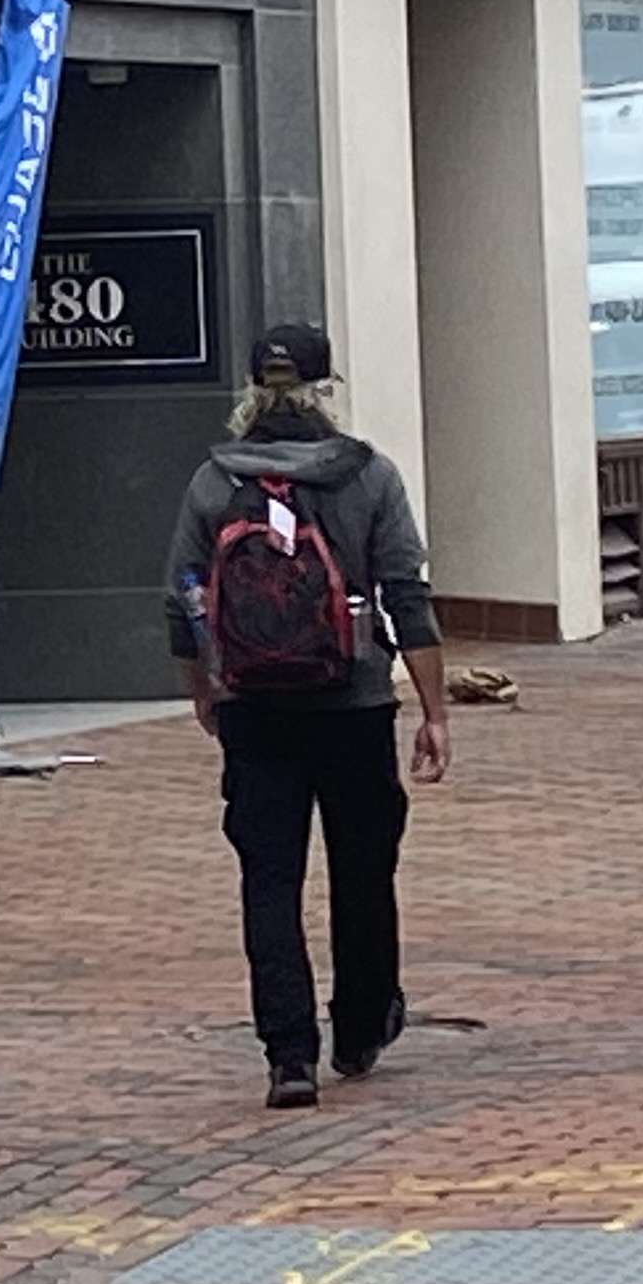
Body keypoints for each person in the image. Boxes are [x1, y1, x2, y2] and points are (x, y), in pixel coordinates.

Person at [164, 323, 449, 1113]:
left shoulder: (214, 482)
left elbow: (179, 601)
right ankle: (360, 1027)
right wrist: (434, 711)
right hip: (354, 704)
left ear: (252, 391)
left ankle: (288, 1054)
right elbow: (408, 597)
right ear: (327, 391)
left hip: (256, 708)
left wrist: (205, 691)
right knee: (364, 870)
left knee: (269, 879)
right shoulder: (368, 477)